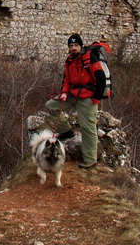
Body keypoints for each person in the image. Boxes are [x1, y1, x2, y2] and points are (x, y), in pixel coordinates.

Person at [45, 33, 106, 169]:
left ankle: (90, 160)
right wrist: (64, 93)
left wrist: (95, 98)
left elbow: (100, 78)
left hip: (88, 96)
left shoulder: (90, 58)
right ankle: (66, 131)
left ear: (81, 45)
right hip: (73, 94)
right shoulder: (70, 60)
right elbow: (66, 79)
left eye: (76, 45)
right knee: (51, 106)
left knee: (87, 127)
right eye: (71, 45)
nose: (73, 48)